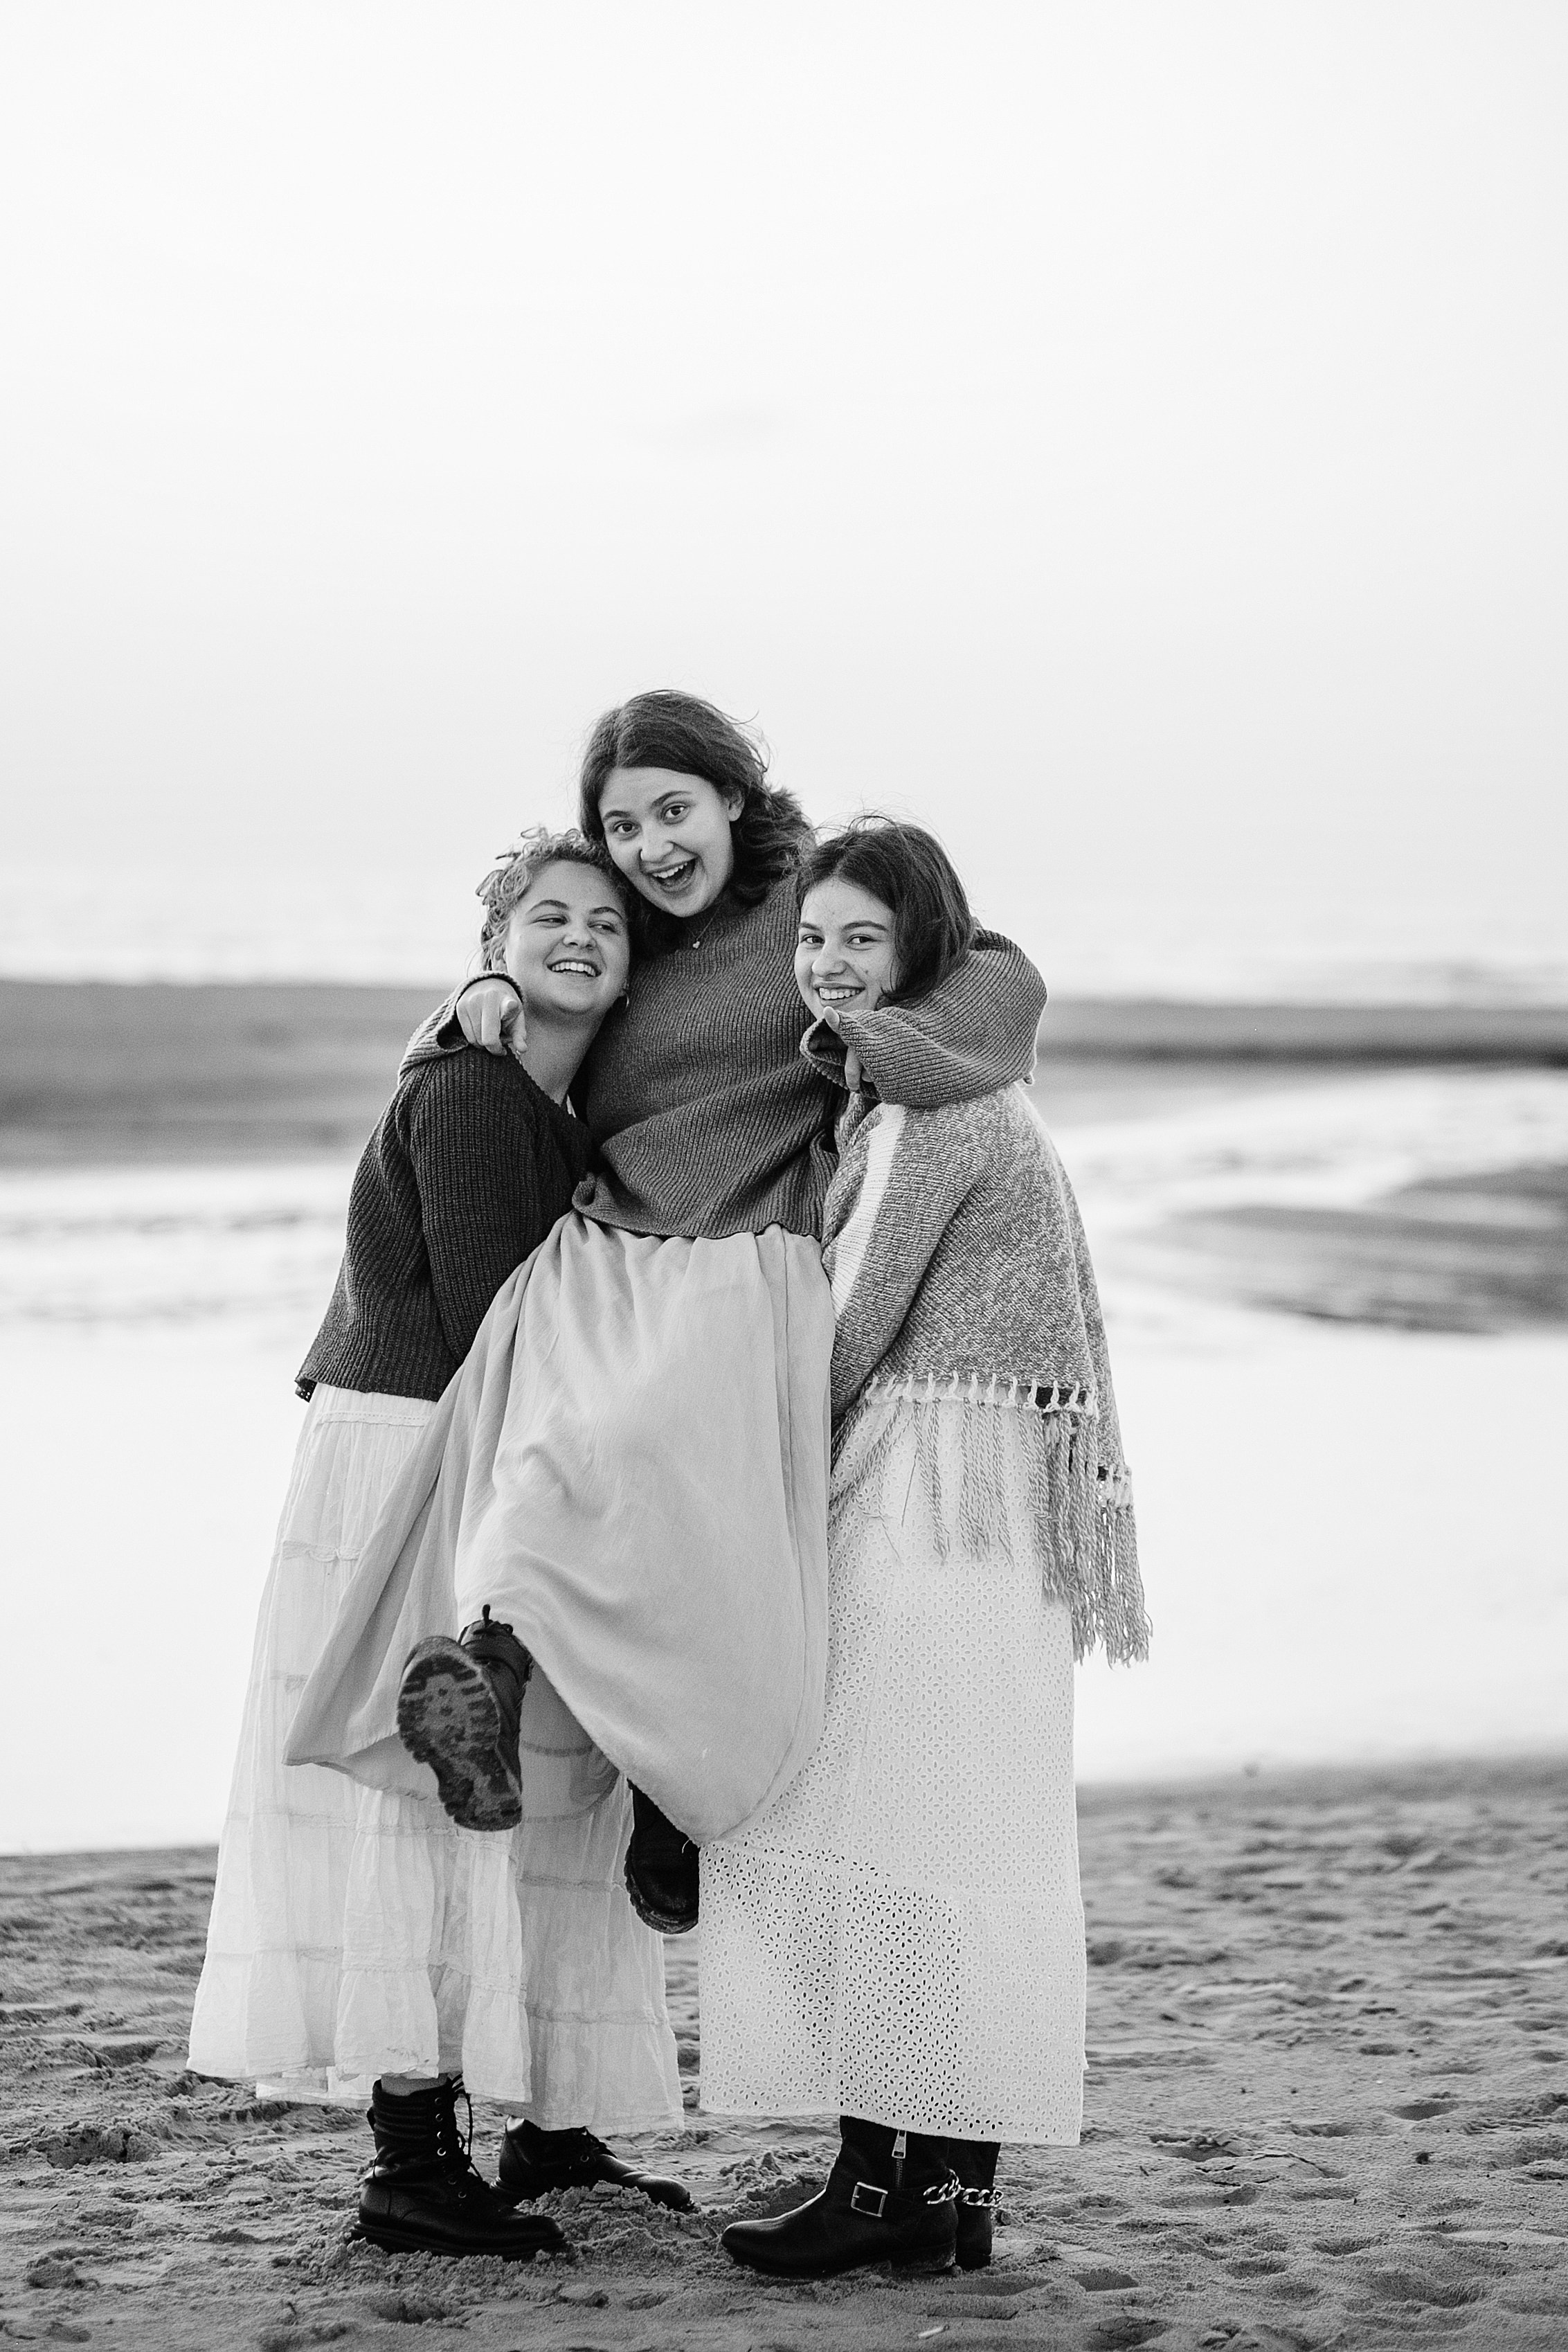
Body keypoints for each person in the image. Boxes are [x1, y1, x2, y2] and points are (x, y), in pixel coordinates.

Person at [287, 690, 1049, 1962]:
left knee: (662, 1458)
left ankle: (670, 1802)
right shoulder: (621, 925)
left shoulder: (817, 901)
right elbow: (541, 951)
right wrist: (474, 984)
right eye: (621, 822)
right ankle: (492, 1666)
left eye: (671, 811)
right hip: (603, 1240)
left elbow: (1002, 981)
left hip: (748, 1249)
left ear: (735, 800)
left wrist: (873, 1038)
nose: (648, 846)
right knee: (546, 1437)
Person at [188, 831, 687, 2263]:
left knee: (522, 1784)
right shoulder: (477, 1095)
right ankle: (412, 2161)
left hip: (464, 1444)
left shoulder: (533, 1084)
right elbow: (494, 1330)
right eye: (550, 914)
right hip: (426, 1451)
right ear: (496, 941)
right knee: (429, 1788)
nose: (583, 934)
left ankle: (545, 2128)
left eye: (606, 919)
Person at [701, 818, 1150, 2281]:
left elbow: (848, 1320)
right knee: (954, 1835)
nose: (825, 968)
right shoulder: (963, 1082)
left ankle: (877, 2189)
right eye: (811, 940)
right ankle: (944, 2199)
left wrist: (727, 1474)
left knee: (849, 1825)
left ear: (920, 953)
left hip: (927, 1499)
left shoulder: (916, 1104)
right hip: (995, 1505)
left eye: (858, 942)